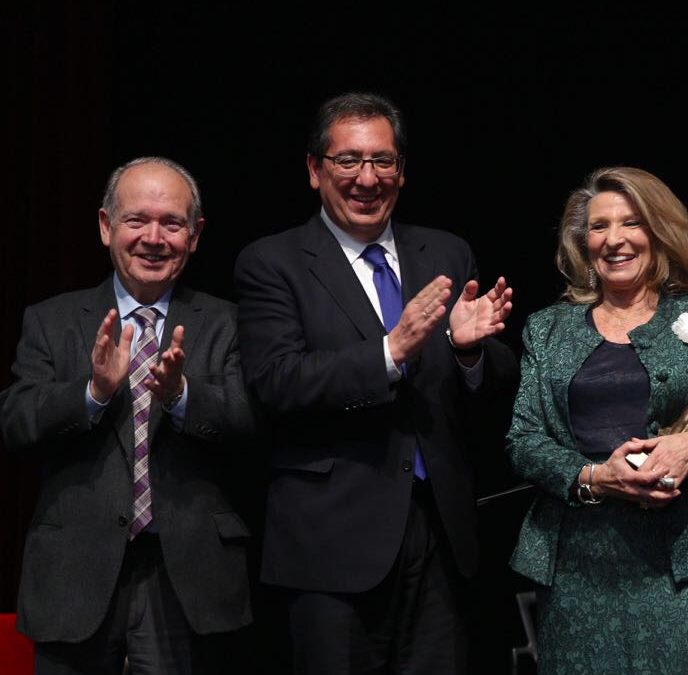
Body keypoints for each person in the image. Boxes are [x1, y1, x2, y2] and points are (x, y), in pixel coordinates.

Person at [233, 92, 518, 674]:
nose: (368, 178)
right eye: (348, 161)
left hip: (440, 538)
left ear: (402, 171)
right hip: (331, 545)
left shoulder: (445, 251)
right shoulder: (273, 262)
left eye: (383, 161)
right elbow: (275, 381)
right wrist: (391, 350)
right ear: (315, 171)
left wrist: (468, 354)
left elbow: (496, 389)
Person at [0, 157, 256, 674]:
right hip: (75, 575)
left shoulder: (230, 323)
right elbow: (16, 421)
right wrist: (92, 392)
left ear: (196, 234)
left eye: (172, 223)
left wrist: (182, 394)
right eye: (137, 220)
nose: (153, 238)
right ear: (105, 226)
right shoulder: (52, 320)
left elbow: (252, 423)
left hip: (187, 578)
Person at [506, 167, 688, 674]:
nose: (614, 240)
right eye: (599, 226)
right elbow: (523, 440)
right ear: (583, 241)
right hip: (579, 570)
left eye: (632, 223)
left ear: (659, 231)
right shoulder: (547, 328)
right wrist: (593, 476)